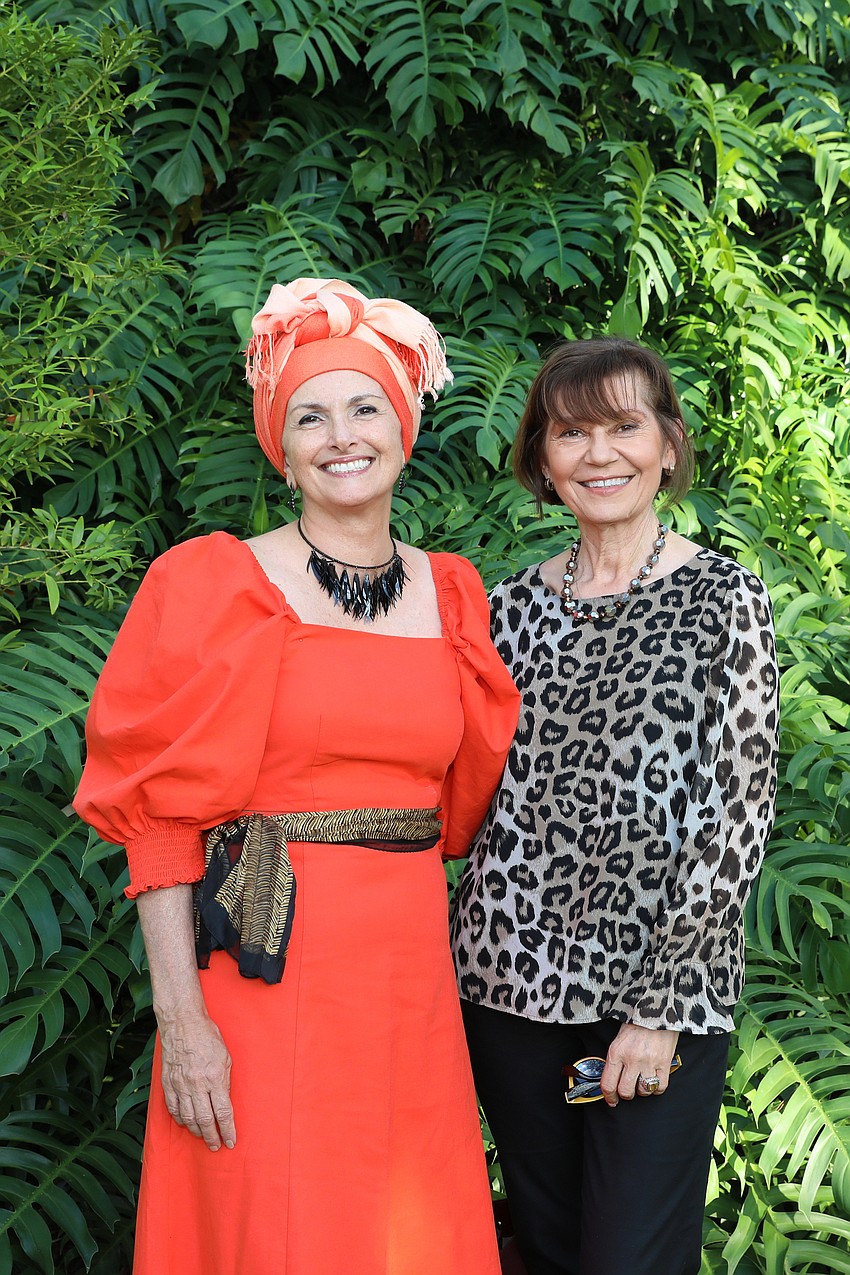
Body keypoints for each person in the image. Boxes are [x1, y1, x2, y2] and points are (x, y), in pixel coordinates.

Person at [74, 277, 520, 1275]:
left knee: (404, 1231)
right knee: (268, 1225)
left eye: (364, 406)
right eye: (308, 415)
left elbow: (460, 806)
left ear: (403, 426)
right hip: (259, 970)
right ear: (281, 445)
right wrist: (182, 1019)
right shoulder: (214, 583)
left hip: (406, 975)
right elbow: (156, 819)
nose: (340, 435)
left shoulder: (453, 595)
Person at [450, 336, 780, 1275]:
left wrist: (660, 1007)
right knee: (549, 1246)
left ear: (668, 447)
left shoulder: (724, 599)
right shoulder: (506, 609)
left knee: (630, 1255)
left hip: (652, 1002)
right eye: (571, 432)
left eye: (624, 427)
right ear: (543, 460)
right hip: (510, 991)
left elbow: (735, 815)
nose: (600, 454)